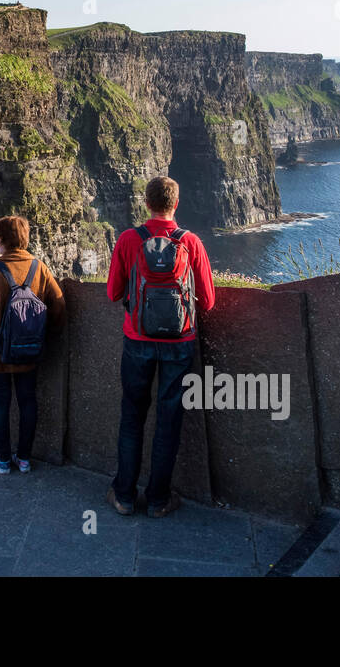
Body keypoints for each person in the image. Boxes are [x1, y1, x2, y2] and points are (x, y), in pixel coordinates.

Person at [104, 176, 215, 518]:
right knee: (169, 421)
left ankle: (124, 495)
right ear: (175, 204)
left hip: (137, 340)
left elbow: (112, 293)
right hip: (179, 344)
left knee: (132, 417)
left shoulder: (128, 239)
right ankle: (158, 499)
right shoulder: (190, 242)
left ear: (146, 202)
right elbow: (208, 301)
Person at [0, 215, 65, 474]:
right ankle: (24, 458)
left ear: (1, 238)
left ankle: (3, 459)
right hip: (29, 350)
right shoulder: (40, 267)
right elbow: (58, 305)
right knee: (28, 402)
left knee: (0, 403)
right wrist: (44, 333)